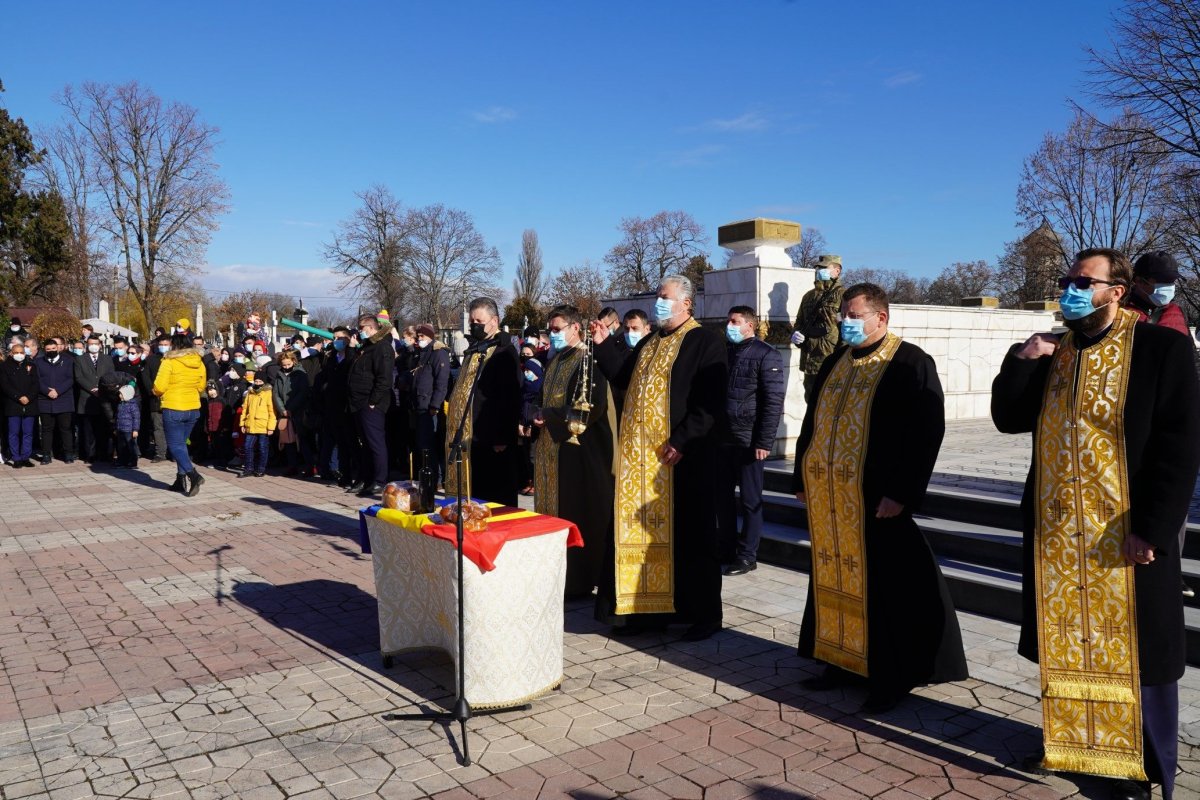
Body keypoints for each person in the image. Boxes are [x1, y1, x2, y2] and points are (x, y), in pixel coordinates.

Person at [992, 248, 1200, 800]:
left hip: (1127, 536)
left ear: (1117, 290)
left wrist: (1153, 530)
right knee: (1069, 647)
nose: (1071, 289)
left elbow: (1178, 447)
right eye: (1067, 280)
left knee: (1139, 653)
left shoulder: (1161, 348)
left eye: (1084, 281)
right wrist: (1022, 358)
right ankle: (1074, 747)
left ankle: (1146, 766)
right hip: (1060, 538)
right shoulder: (1056, 352)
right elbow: (1008, 419)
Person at [793, 283, 967, 712]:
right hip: (832, 500)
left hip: (878, 501)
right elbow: (812, 424)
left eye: (852, 316)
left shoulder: (910, 362)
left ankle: (892, 676)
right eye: (842, 317)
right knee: (834, 579)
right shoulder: (836, 360)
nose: (844, 323)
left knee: (889, 591)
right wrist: (801, 475)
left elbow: (926, 434)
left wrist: (902, 493)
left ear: (881, 318)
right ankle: (839, 658)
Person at [590, 274, 728, 641]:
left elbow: (710, 401)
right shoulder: (651, 340)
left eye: (665, 297)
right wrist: (603, 344)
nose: (659, 302)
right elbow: (622, 375)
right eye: (657, 296)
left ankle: (703, 615)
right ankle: (647, 611)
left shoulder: (704, 341)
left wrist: (683, 439)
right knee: (645, 537)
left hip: (684, 459)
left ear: (686, 303)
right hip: (643, 461)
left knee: (693, 539)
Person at [534, 305, 616, 598]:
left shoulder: (587, 360)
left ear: (575, 328)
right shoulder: (556, 361)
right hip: (551, 451)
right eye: (550, 330)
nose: (552, 335)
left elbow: (587, 408)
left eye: (557, 329)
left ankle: (576, 581)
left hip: (578, 454)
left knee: (575, 514)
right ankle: (552, 573)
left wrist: (549, 417)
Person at [719, 306, 786, 576]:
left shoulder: (766, 354)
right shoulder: (725, 351)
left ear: (750, 325)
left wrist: (764, 441)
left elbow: (772, 402)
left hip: (748, 441)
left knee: (750, 500)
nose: (729, 325)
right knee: (721, 499)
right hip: (722, 438)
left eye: (735, 321)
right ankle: (724, 548)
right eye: (729, 320)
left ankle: (747, 555)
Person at [444, 297, 521, 506]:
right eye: (472, 322)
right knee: (474, 496)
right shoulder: (477, 347)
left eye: (479, 321)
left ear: (494, 321)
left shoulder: (504, 351)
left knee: (493, 497)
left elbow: (510, 396)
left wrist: (502, 437)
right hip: (472, 437)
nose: (475, 325)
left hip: (492, 439)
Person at [153, 333, 208, 496]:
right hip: (193, 408)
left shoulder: (169, 361)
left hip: (174, 407)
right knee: (182, 444)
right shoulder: (199, 362)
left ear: (173, 346)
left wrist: (155, 391)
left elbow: (159, 386)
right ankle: (180, 479)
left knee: (175, 445)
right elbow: (201, 386)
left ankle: (193, 475)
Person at [346, 314, 394, 498]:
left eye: (362, 327)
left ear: (371, 327)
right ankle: (366, 478)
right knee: (364, 444)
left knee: (375, 443)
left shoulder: (382, 347)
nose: (359, 331)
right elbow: (351, 369)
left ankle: (380, 481)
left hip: (370, 403)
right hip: (357, 402)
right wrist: (351, 349)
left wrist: (373, 401)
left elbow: (384, 379)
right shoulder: (366, 347)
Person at [792, 254, 846, 404]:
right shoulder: (808, 296)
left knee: (831, 405)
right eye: (818, 268)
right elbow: (799, 322)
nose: (819, 270)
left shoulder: (843, 295)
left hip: (829, 359)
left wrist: (840, 359)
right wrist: (796, 336)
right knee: (811, 405)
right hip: (810, 361)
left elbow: (845, 328)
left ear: (837, 271)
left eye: (824, 267)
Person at [408, 324, 450, 489]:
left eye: (422, 337)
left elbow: (441, 383)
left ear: (430, 337)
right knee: (422, 445)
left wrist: (435, 405)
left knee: (430, 445)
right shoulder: (422, 353)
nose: (419, 340)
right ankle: (429, 478)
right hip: (419, 404)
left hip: (430, 407)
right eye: (418, 337)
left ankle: (436, 479)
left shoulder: (438, 353)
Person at [1124, 250, 1188, 335]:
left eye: (1172, 280)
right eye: (1162, 280)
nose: (1168, 285)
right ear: (1139, 280)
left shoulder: (1178, 312)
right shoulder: (1117, 310)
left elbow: (1189, 346)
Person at [74, 334, 116, 464]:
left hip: (104, 399)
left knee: (104, 429)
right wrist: (92, 388)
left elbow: (111, 376)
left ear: (100, 345)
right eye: (90, 344)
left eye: (95, 344)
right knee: (88, 430)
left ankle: (105, 454)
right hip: (87, 399)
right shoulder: (80, 359)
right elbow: (79, 377)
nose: (93, 346)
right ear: (87, 345)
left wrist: (101, 389)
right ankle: (90, 455)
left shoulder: (108, 359)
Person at [35, 338, 75, 463]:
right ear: (44, 350)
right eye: (48, 349)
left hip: (64, 399)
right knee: (47, 429)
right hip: (45, 401)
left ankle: (68, 454)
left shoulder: (68, 361)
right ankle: (46, 454)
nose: (51, 351)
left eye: (53, 348)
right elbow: (37, 380)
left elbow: (70, 379)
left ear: (57, 348)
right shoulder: (38, 362)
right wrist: (48, 391)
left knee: (65, 428)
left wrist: (58, 391)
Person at [1, 341, 40, 467]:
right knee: (14, 432)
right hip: (13, 404)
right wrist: (18, 397)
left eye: (21, 352)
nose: (19, 354)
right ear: (11, 354)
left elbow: (36, 384)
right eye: (16, 353)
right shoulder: (5, 367)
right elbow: (5, 385)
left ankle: (25, 457)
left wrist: (28, 397)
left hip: (29, 404)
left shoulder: (31, 365)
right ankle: (16, 458)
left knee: (28, 432)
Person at [272, 349, 310, 476]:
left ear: (293, 361)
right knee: (288, 440)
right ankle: (292, 466)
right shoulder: (279, 375)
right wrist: (282, 409)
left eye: (288, 364)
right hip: (285, 413)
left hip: (298, 411)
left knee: (303, 439)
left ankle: (309, 466)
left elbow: (302, 393)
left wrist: (291, 408)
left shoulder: (300, 374)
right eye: (284, 365)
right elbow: (276, 394)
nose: (286, 367)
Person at [517, 343, 543, 495]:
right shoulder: (524, 391)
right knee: (526, 455)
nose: (527, 374)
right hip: (524, 425)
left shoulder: (538, 391)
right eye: (525, 371)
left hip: (534, 425)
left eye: (529, 371)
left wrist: (531, 424)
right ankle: (529, 481)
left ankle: (536, 482)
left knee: (533, 456)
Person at [239, 370, 276, 477]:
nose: (258, 383)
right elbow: (245, 409)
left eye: (260, 381)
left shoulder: (268, 393)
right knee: (247, 447)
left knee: (262, 447)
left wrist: (271, 427)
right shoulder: (250, 393)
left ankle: (261, 469)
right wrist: (242, 424)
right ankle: (248, 468)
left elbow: (272, 411)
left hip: (263, 425)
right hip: (250, 424)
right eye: (256, 381)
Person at [140, 335, 170, 461]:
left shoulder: (175, 359)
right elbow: (145, 377)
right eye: (161, 344)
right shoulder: (151, 360)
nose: (163, 347)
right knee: (158, 427)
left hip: (172, 398)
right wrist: (153, 391)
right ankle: (160, 452)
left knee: (172, 427)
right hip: (155, 398)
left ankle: (173, 452)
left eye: (166, 344)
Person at [113, 379, 140, 468]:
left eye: (121, 394)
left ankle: (133, 462)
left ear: (127, 395)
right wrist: (116, 428)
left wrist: (135, 430)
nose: (119, 395)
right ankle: (122, 461)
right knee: (121, 447)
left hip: (129, 430)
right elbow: (117, 417)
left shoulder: (133, 405)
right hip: (121, 429)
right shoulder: (120, 404)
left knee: (131, 446)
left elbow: (136, 418)